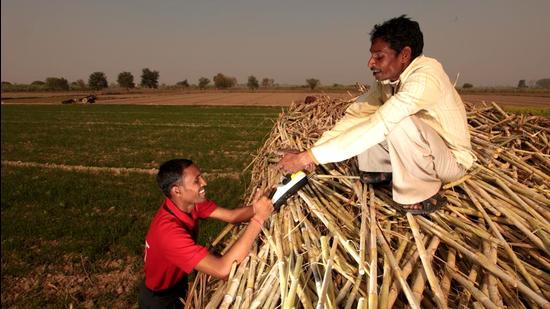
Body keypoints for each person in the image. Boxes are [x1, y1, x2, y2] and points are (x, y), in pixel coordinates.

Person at [278, 15, 475, 215]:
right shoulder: (387, 83)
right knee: (368, 117)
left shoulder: (425, 78)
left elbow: (384, 123)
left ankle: (419, 195)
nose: (370, 63)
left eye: (379, 56)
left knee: (395, 122)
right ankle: (379, 170)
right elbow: (356, 116)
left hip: (449, 161)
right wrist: (312, 153)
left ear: (405, 54)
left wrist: (309, 157)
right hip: (426, 148)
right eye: (372, 56)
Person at [139, 159, 273, 308]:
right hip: (160, 299)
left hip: (179, 282)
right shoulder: (169, 233)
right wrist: (259, 219)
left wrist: (260, 205)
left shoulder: (190, 203)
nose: (204, 182)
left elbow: (232, 216)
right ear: (177, 190)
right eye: (197, 180)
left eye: (201, 176)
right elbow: (223, 270)